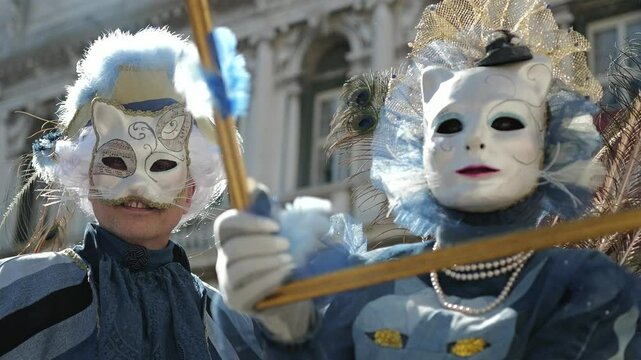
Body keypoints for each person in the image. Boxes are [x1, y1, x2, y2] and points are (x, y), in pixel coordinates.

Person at [213, 0, 641, 358]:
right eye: (450, 127)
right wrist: (290, 330)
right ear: (417, 149)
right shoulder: (362, 282)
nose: (475, 141)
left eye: (505, 124)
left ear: (548, 147)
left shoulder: (589, 285)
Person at [0, 27, 267, 359]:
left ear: (190, 190)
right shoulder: (14, 290)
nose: (138, 186)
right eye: (115, 161)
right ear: (87, 174)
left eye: (162, 165)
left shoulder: (233, 329)